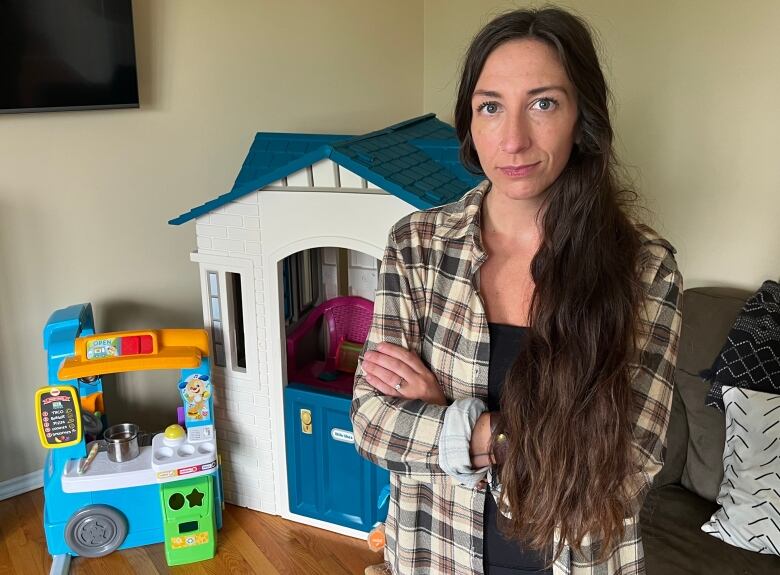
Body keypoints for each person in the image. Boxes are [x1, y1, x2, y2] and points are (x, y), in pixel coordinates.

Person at [351, 7, 683, 575]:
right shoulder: (417, 245)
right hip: (436, 555)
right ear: (470, 121)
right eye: (490, 107)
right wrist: (515, 439)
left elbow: (625, 464)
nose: (513, 138)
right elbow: (375, 425)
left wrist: (449, 418)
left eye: (543, 103)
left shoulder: (643, 268)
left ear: (583, 118)